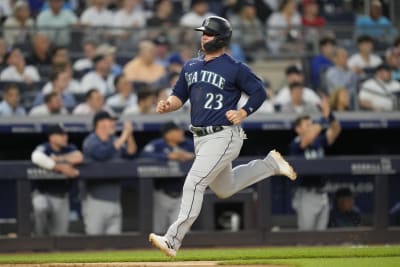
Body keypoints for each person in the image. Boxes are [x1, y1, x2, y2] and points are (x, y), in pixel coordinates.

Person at [149, 16, 297, 257]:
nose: (203, 37)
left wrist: (243, 111)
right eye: (203, 33)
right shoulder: (191, 66)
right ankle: (270, 164)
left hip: (224, 135)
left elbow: (259, 92)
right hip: (200, 138)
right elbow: (179, 96)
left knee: (194, 182)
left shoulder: (234, 67)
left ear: (221, 39)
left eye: (208, 34)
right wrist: (168, 104)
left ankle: (172, 240)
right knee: (225, 188)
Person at [289, 97, 341, 231]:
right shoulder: (296, 144)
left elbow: (336, 129)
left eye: (311, 124)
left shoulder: (318, 142)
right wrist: (323, 117)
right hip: (307, 194)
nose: (311, 126)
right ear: (298, 129)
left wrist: (329, 113)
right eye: (307, 124)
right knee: (306, 237)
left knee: (321, 238)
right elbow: (308, 138)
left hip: (323, 193)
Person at [82, 111, 137, 235]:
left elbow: (131, 153)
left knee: (114, 246)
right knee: (94, 244)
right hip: (95, 202)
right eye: (110, 121)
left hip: (115, 201)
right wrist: (124, 136)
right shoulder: (90, 141)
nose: (114, 124)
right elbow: (102, 154)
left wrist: (129, 136)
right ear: (100, 123)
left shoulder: (115, 140)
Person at [141, 122, 195, 233]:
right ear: (168, 134)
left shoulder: (187, 144)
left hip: (182, 195)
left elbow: (202, 152)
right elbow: (144, 154)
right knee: (158, 230)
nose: (181, 133)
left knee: (181, 232)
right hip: (161, 194)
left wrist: (189, 156)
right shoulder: (158, 144)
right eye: (177, 131)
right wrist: (167, 156)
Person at [31, 124, 83, 236]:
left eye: (65, 134)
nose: (65, 137)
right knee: (40, 206)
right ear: (51, 137)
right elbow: (36, 157)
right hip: (43, 193)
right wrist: (60, 167)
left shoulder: (69, 148)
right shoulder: (44, 147)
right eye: (61, 135)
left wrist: (59, 158)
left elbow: (79, 157)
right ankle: (38, 238)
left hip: (61, 197)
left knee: (60, 237)